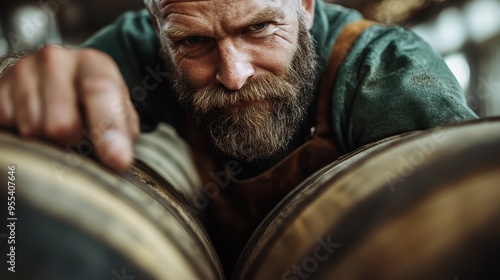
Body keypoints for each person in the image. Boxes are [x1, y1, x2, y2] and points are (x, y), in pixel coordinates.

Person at [0, 0, 478, 275]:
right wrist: (23, 84)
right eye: (194, 43)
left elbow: (455, 225)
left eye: (260, 28)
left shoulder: (387, 73)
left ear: (305, 6)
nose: (233, 73)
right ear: (159, 29)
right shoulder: (157, 38)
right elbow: (53, 91)